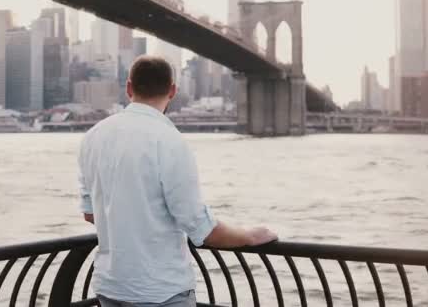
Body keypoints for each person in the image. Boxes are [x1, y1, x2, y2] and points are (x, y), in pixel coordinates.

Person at [78, 55, 278, 307]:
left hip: (110, 288)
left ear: (129, 88)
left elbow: (90, 215)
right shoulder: (170, 141)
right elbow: (201, 228)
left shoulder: (93, 137)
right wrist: (249, 235)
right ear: (172, 90)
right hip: (161, 292)